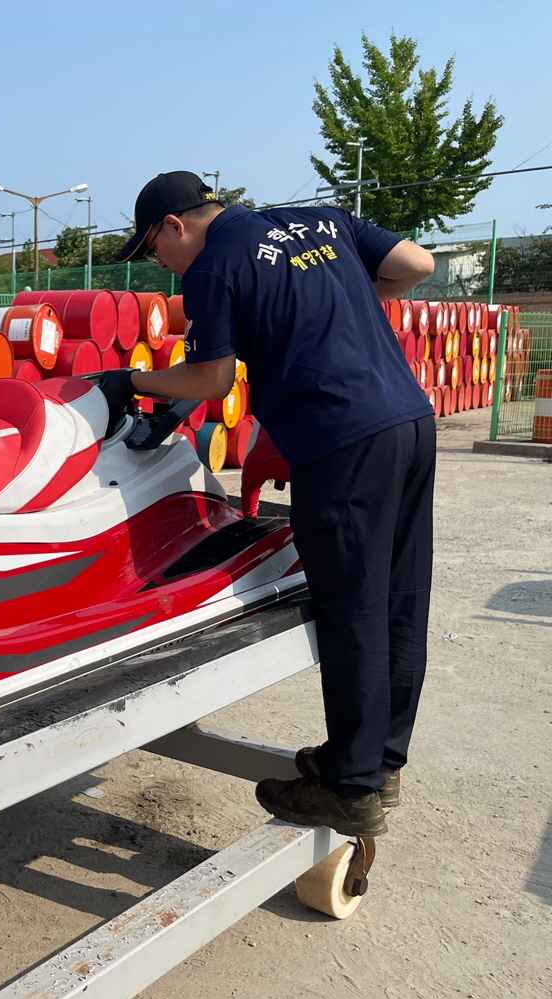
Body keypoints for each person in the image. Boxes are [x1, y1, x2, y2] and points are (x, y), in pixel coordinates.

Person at [103, 170, 436, 838]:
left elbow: (211, 377)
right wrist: (338, 304)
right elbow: (416, 264)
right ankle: (378, 761)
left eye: (151, 252)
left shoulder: (214, 263)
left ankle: (350, 788)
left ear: (175, 225)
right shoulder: (319, 221)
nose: (159, 267)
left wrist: (127, 378)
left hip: (339, 440)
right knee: (401, 597)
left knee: (354, 607)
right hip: (408, 422)